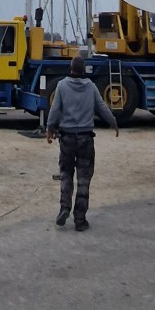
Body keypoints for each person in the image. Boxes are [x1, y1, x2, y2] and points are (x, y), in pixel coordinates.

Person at [45, 56, 118, 230]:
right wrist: (113, 122)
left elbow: (55, 110)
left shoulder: (62, 86)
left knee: (66, 174)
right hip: (86, 138)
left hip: (67, 138)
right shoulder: (91, 87)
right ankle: (80, 219)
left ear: (70, 68)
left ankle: (64, 207)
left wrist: (50, 129)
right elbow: (102, 108)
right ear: (84, 69)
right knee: (84, 179)